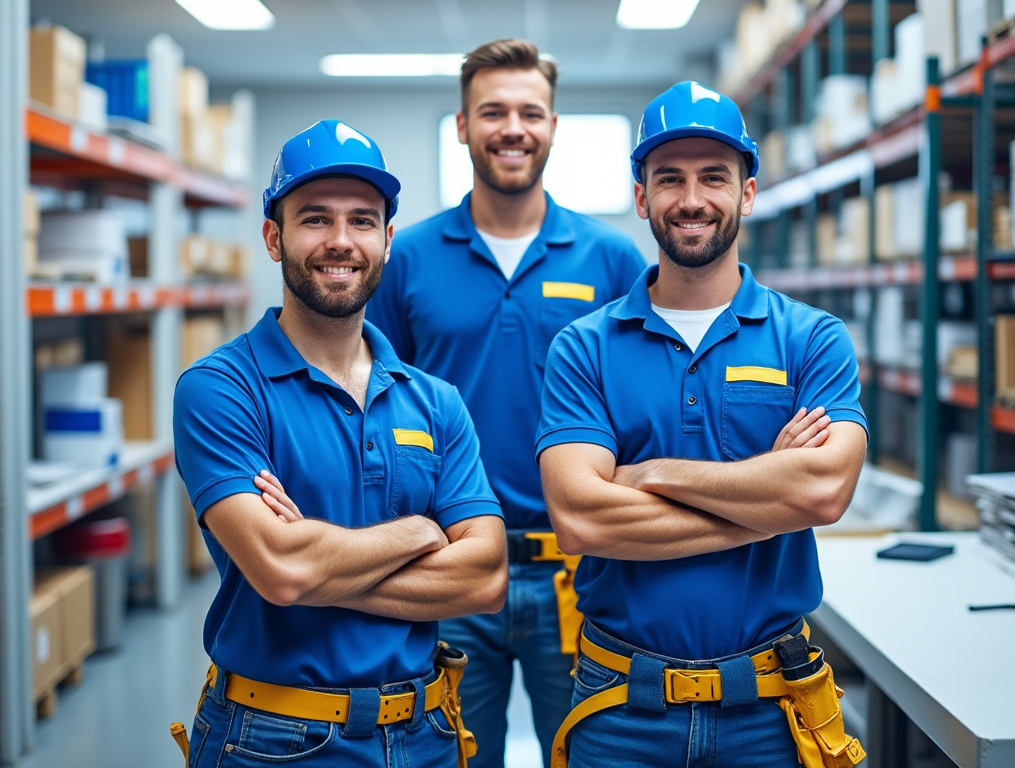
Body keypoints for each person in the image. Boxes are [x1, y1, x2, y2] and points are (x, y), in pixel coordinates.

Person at [535, 81, 870, 768]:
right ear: (641, 198)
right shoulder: (584, 346)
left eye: (714, 177)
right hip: (620, 704)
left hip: (771, 709)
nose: (692, 200)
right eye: (670, 179)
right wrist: (766, 494)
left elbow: (824, 493)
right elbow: (581, 520)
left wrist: (652, 474)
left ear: (747, 192)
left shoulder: (811, 338)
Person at [170, 119, 507, 768]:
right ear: (275, 237)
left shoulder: (436, 401)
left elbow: (487, 578)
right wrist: (419, 532)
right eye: (315, 219)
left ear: (387, 240)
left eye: (362, 220)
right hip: (271, 739)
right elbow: (282, 567)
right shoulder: (220, 390)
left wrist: (317, 560)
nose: (340, 241)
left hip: (426, 733)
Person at [364, 38, 647, 768]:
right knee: (453, 756)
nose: (512, 128)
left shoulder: (611, 260)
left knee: (590, 754)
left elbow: (640, 405)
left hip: (581, 570)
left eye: (531, 111)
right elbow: (375, 404)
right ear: (462, 126)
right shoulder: (409, 260)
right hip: (453, 566)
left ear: (554, 126)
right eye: (492, 111)